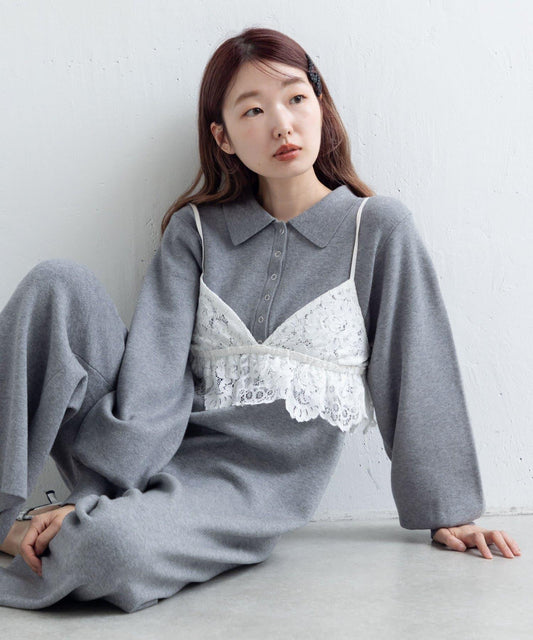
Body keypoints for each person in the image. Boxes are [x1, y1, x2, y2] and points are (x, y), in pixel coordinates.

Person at [0, 26, 521, 614]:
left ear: (320, 105)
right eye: (253, 110)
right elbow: (153, 377)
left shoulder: (376, 230)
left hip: (242, 493)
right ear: (222, 137)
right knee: (56, 284)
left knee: (106, 550)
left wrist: (449, 511)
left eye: (296, 98)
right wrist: (98, 492)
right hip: (140, 442)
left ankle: (70, 530)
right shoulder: (195, 231)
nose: (282, 124)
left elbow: (417, 367)